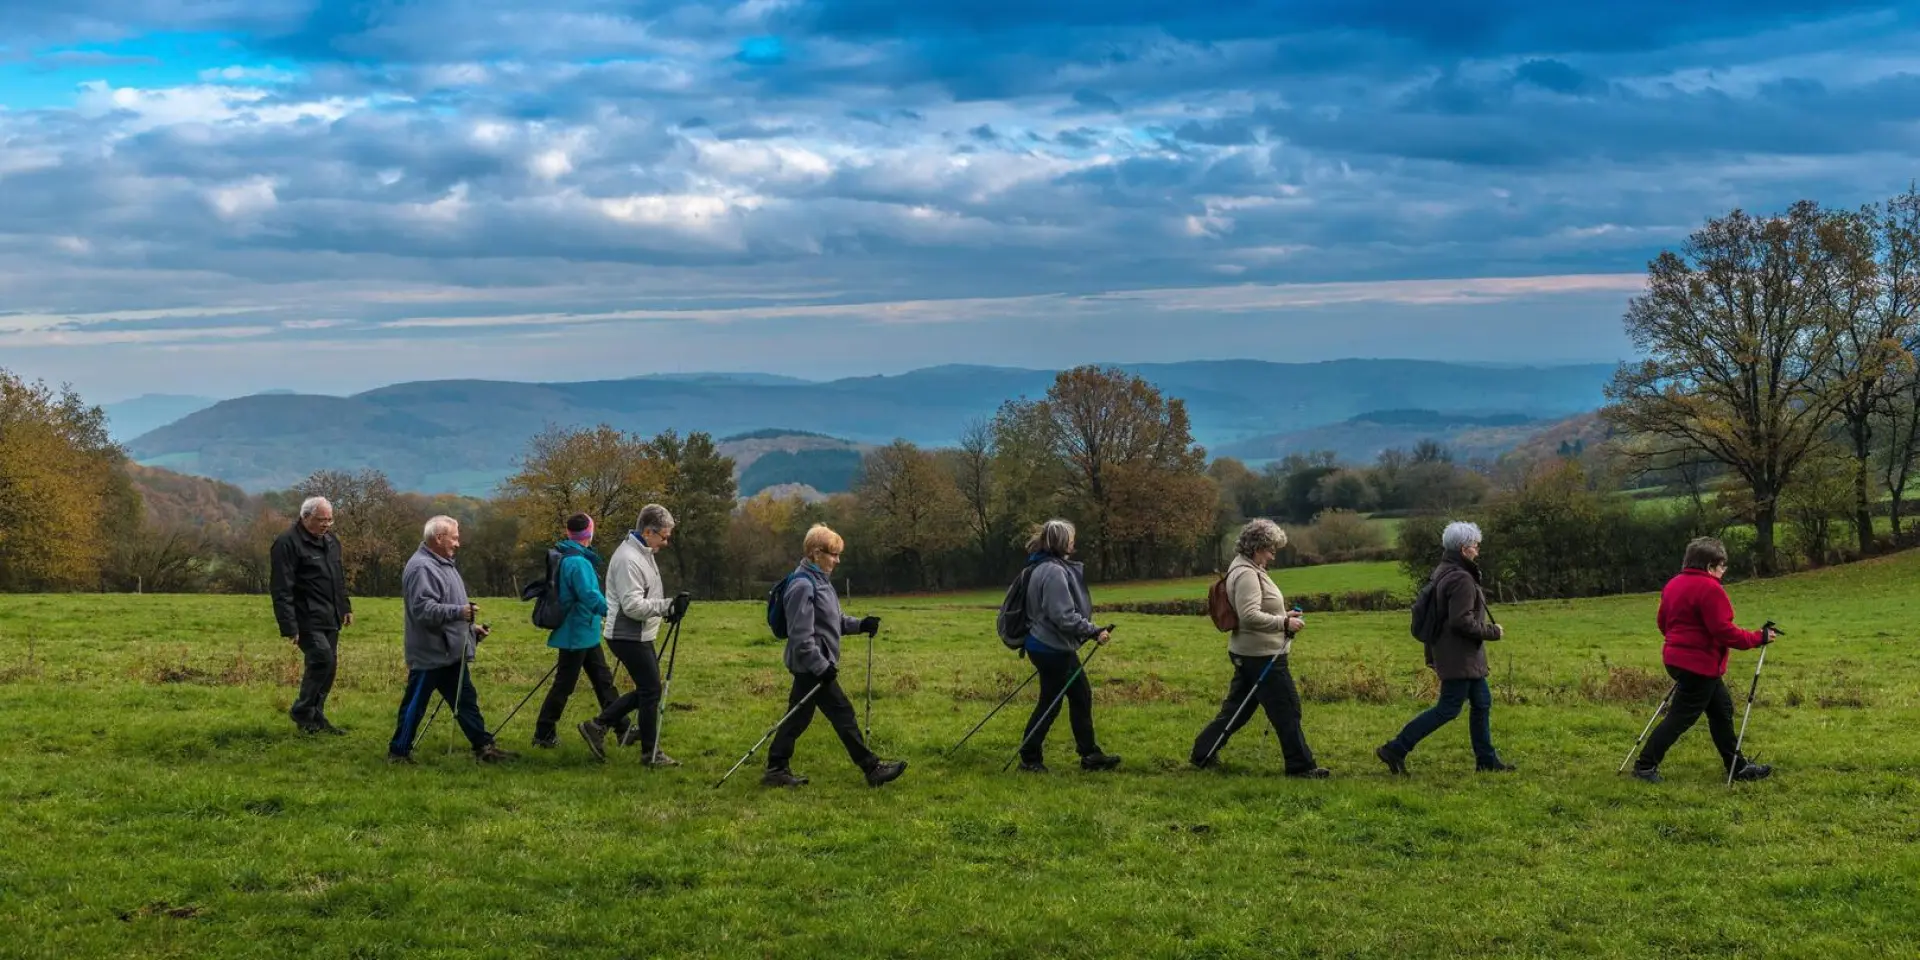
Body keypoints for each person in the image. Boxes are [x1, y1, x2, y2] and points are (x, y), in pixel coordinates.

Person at [762, 523, 907, 788]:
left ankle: (776, 768)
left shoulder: (822, 582)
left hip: (816, 665)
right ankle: (871, 767)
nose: (837, 560)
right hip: (811, 666)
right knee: (843, 713)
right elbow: (800, 636)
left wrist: (861, 624)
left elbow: (835, 621)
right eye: (833, 554)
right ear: (816, 553)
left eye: (838, 555)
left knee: (798, 717)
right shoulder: (802, 586)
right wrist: (821, 666)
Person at [1631, 537, 1777, 783]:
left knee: (1722, 710)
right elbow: (1724, 631)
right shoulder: (1711, 589)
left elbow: (1663, 623)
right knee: (1681, 717)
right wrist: (1757, 637)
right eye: (1722, 566)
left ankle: (1737, 766)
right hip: (1698, 664)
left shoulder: (1674, 584)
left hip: (1678, 660)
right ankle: (1645, 766)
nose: (1723, 571)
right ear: (1710, 565)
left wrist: (1681, 644)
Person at [1190, 519, 1328, 778]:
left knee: (1237, 711)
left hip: (1249, 653)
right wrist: (1284, 622)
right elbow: (1249, 615)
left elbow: (1257, 610)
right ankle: (1300, 767)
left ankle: (1202, 753)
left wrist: (1283, 614)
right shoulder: (1247, 575)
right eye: (1270, 549)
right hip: (1262, 655)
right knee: (1287, 709)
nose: (1273, 555)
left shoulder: (1247, 568)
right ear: (1257, 547)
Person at [1376, 521, 1514, 775]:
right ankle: (1395, 748)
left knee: (1482, 702)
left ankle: (1486, 759)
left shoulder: (1444, 570)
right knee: (1448, 708)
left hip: (1458, 654)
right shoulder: (1461, 578)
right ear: (1463, 549)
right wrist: (1493, 632)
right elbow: (1461, 621)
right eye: (1475, 546)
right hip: (1459, 656)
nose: (1477, 551)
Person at [387, 516, 516, 764]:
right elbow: (422, 610)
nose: (458, 543)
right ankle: (398, 752)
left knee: (466, 701)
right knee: (415, 705)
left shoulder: (444, 563)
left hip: (450, 652)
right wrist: (460, 613)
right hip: (430, 653)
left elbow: (446, 605)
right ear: (438, 538)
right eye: (454, 537)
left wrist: (471, 629)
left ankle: (484, 747)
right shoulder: (422, 567)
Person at [578, 504, 688, 766]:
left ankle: (599, 726)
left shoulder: (643, 551)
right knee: (651, 691)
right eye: (664, 536)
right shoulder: (629, 558)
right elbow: (632, 606)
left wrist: (666, 610)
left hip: (637, 633)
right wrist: (667, 606)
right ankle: (649, 753)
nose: (666, 541)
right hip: (626, 634)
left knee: (649, 689)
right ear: (648, 531)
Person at [1016, 519, 1121, 774]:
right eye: (1071, 538)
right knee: (1052, 702)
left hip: (1046, 646)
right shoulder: (1052, 571)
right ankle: (1030, 758)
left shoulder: (1041, 565)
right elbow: (1062, 616)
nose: (1074, 542)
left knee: (1079, 696)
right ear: (1062, 542)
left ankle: (1089, 755)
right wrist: (1094, 630)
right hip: (1050, 648)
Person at [530, 513, 629, 751]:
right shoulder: (578, 562)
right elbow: (588, 595)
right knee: (565, 685)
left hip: (583, 631)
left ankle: (622, 728)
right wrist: (613, 612)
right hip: (577, 633)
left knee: (603, 681)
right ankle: (543, 733)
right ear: (589, 533)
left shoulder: (569, 556)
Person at [270, 496, 353, 735]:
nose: (326, 524)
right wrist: (289, 626)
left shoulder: (331, 541)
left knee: (330, 666)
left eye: (329, 520)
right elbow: (281, 588)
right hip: (305, 617)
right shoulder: (287, 543)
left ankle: (316, 716)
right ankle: (303, 711)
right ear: (305, 518)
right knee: (321, 659)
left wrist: (345, 607)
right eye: (321, 520)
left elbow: (338, 578)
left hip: (330, 616)